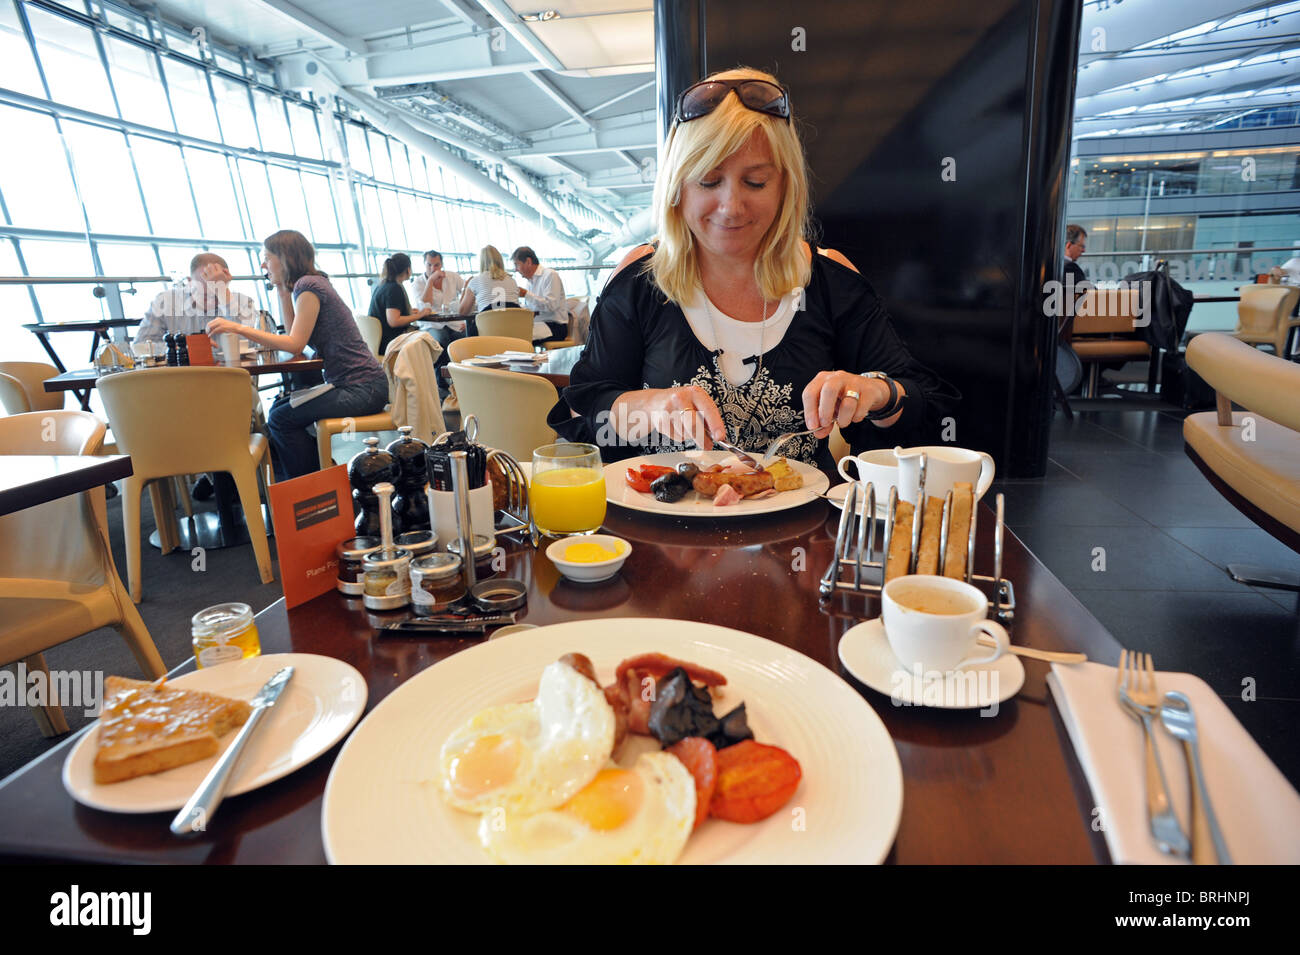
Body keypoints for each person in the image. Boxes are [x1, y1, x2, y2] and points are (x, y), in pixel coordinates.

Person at [548, 67, 957, 477]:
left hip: (805, 528)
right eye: (709, 181)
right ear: (677, 186)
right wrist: (646, 407)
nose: (731, 207)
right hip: (669, 529)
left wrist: (878, 395)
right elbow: (586, 416)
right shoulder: (641, 279)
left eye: (756, 182)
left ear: (785, 185)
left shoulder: (829, 280)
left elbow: (926, 412)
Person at [207, 230, 388, 482]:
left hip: (361, 388)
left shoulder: (308, 285)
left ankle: (312, 487)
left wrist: (238, 327)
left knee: (280, 419)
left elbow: (293, 344)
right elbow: (295, 337)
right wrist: (281, 289)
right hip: (358, 384)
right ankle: (320, 477)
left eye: (267, 258)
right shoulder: (308, 284)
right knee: (281, 407)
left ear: (285, 257)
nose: (263, 264)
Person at [134, 252, 261, 345]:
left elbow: (249, 345)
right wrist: (187, 347)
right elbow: (141, 345)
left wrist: (225, 298)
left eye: (217, 293)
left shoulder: (244, 303)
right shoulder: (165, 302)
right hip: (182, 377)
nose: (212, 301)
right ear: (189, 282)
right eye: (205, 294)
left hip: (229, 376)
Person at [410, 250, 467, 398]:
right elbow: (425, 305)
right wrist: (430, 282)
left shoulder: (452, 277)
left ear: (441, 264)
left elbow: (468, 291)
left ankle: (462, 381)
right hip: (431, 325)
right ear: (424, 265)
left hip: (454, 322)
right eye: (429, 265)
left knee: (465, 339)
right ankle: (443, 385)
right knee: (440, 341)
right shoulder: (418, 282)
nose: (433, 269)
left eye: (436, 265)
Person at [369, 252, 432, 355]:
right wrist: (420, 315)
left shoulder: (382, 285)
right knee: (430, 341)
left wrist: (408, 312)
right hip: (390, 342)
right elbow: (394, 321)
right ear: (407, 269)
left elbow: (390, 313)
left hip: (377, 342)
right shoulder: (394, 288)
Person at [512, 246, 568, 342]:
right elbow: (534, 308)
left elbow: (551, 306)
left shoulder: (550, 275)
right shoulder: (530, 282)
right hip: (539, 324)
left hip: (555, 326)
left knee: (520, 338)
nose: (515, 269)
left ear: (528, 262)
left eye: (517, 265)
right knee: (513, 334)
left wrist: (526, 294)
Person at [457, 245, 519, 318]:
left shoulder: (475, 281)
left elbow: (463, 312)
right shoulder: (512, 281)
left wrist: (465, 287)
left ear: (481, 262)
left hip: (489, 327)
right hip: (514, 326)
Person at [1064, 224, 1088, 289]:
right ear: (1068, 245)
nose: (1083, 250)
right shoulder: (1070, 267)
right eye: (1081, 246)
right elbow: (1090, 291)